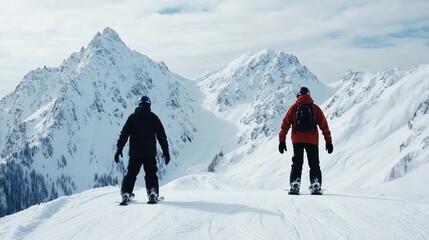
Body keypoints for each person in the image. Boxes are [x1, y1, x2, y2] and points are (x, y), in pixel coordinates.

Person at [114, 96, 170, 203]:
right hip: (149, 153)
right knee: (151, 173)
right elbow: (161, 135)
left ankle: (126, 193)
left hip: (135, 153)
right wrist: (165, 150)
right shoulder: (154, 118)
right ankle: (152, 193)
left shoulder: (132, 117)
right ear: (149, 104)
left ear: (139, 104)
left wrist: (119, 148)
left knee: (131, 173)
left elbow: (124, 134)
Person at [278, 87, 333, 195]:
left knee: (297, 163)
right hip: (312, 140)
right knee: (314, 164)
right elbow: (324, 125)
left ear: (298, 95)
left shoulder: (294, 108)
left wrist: (282, 141)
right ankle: (316, 184)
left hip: (297, 140)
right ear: (309, 95)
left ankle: (295, 185)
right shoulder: (315, 108)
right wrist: (328, 141)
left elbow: (285, 125)